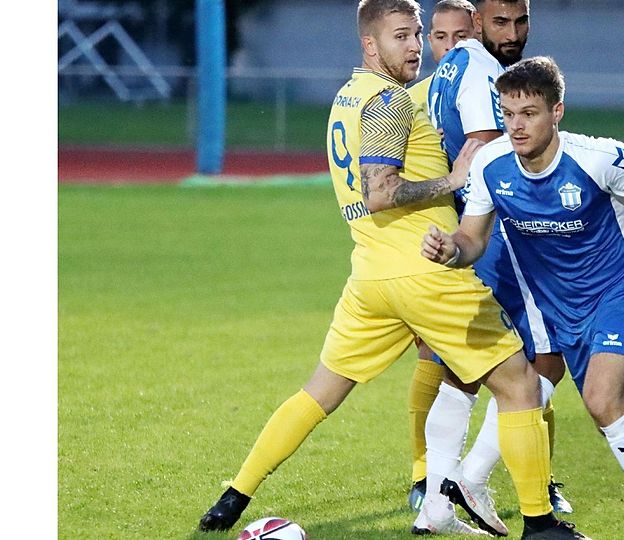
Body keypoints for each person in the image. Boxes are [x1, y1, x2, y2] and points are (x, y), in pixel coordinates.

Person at [197, 3, 589, 539]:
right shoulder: (389, 100)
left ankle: (232, 498)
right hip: (423, 269)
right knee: (521, 385)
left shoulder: (345, 99)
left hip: (369, 277)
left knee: (319, 393)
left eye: (416, 34)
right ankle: (541, 526)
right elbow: (380, 193)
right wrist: (453, 181)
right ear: (369, 45)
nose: (412, 46)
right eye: (400, 36)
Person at [422, 56, 624, 540]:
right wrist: (450, 251)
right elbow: (473, 239)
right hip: (554, 308)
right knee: (616, 405)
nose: (516, 126)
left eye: (529, 113)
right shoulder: (491, 163)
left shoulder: (596, 158)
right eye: (507, 114)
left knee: (602, 399)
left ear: (557, 111)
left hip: (620, 288)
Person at [413, 0, 574, 536]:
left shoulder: (449, 68)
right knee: (550, 354)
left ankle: (436, 501)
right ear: (477, 23)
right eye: (500, 22)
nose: (513, 32)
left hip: (468, 235)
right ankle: (474, 477)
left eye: (521, 20)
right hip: (499, 236)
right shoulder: (482, 69)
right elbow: (484, 146)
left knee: (463, 370)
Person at [402, 0, 479, 515]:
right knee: (433, 353)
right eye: (438, 36)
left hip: (498, 235)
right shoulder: (412, 99)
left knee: (534, 360)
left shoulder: (493, 87)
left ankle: (545, 477)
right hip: (440, 241)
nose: (447, 46)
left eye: (458, 36)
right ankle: (423, 473)